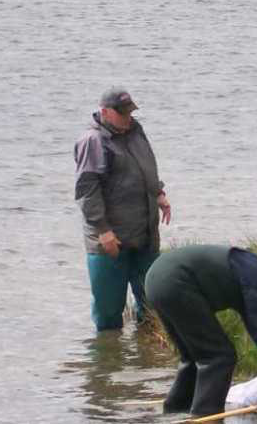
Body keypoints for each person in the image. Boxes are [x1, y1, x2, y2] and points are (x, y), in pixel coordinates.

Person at [145, 245, 257, 416]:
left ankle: (175, 411)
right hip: (177, 283)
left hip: (156, 279)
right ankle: (206, 417)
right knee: (219, 357)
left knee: (192, 356)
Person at [73, 87, 172, 331]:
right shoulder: (93, 141)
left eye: (130, 111)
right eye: (122, 113)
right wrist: (103, 230)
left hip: (144, 234)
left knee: (153, 306)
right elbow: (87, 191)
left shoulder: (135, 130)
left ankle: (147, 362)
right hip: (110, 241)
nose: (128, 118)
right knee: (108, 315)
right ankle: (108, 363)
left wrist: (158, 192)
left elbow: (147, 165)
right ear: (104, 112)